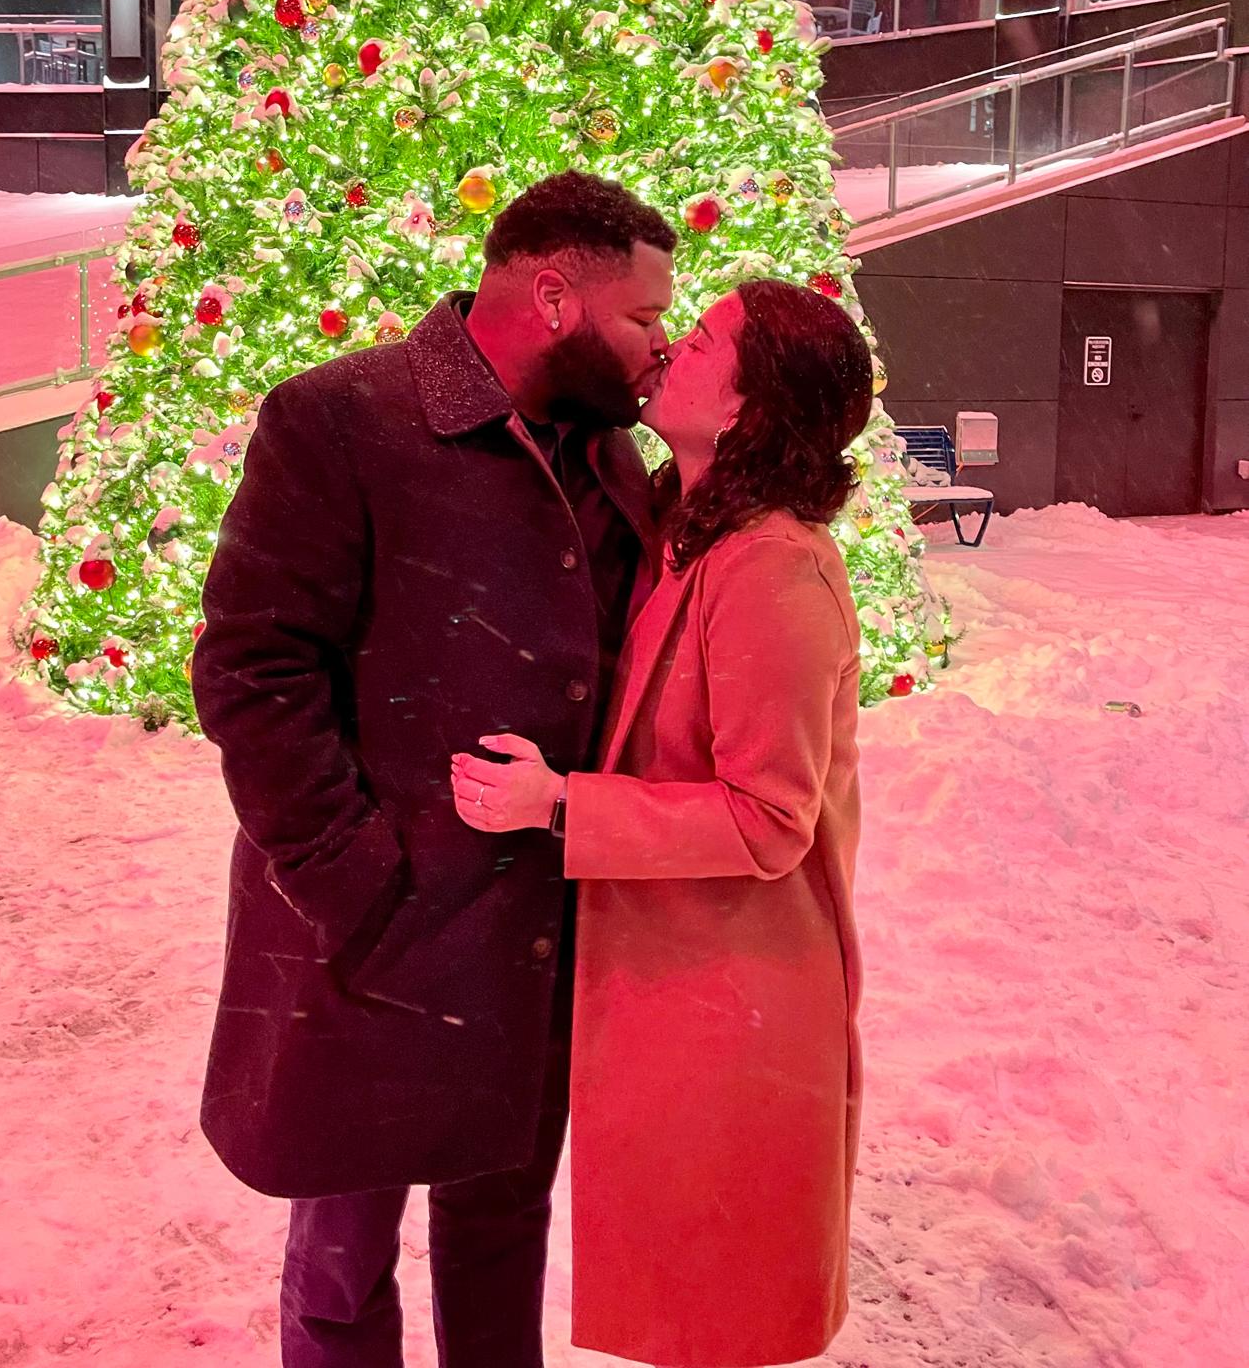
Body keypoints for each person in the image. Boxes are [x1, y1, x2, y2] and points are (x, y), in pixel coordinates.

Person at [192, 170, 676, 1368]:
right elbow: (253, 666)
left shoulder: (608, 453)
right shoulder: (340, 418)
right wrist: (350, 874)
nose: (659, 347)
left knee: (502, 1229)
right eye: (644, 317)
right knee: (344, 1252)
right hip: (373, 936)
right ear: (556, 299)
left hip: (533, 931)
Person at [452, 278, 873, 1368]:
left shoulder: (772, 565)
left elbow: (769, 818)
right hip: (683, 980)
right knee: (684, 1297)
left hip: (736, 995)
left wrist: (560, 802)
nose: (673, 346)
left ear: (746, 407)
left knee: (716, 1307)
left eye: (705, 340)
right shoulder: (683, 530)